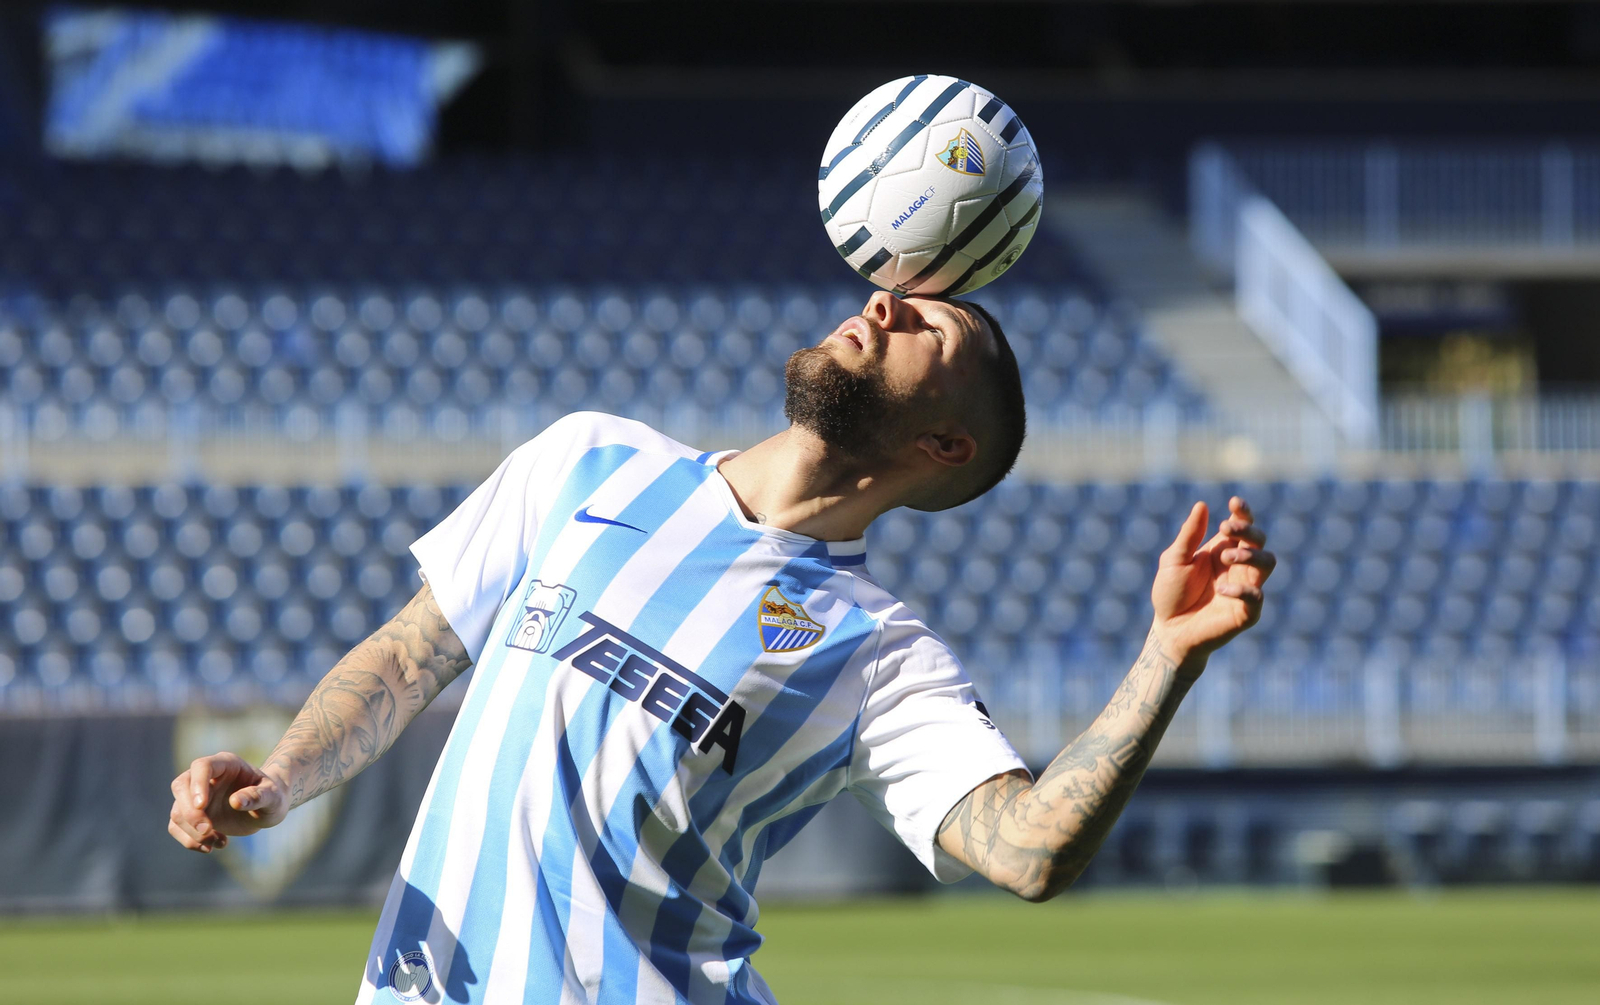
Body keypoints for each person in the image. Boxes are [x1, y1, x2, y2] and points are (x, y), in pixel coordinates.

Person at [167, 290, 1274, 1004]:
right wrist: (280, 781)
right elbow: (409, 656)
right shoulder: (588, 463)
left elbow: (1030, 851)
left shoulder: (876, 654)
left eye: (930, 330)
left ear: (944, 442)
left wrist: (1167, 655)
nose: (883, 302)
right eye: (893, 294)